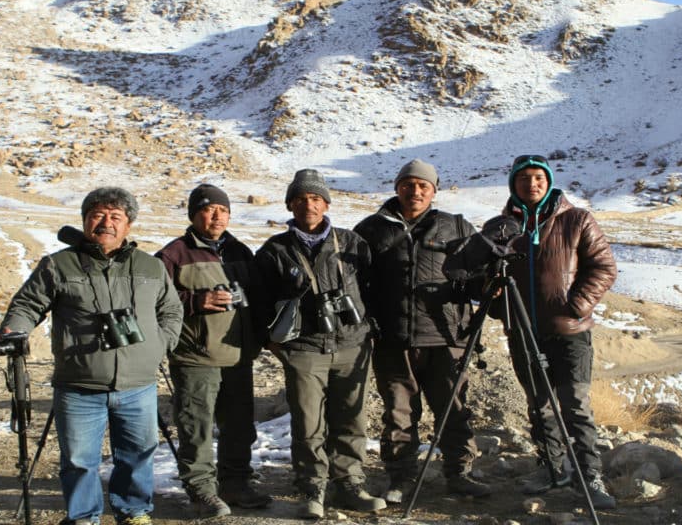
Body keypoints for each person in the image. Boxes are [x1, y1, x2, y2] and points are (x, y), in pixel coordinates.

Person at [0, 187, 183, 525]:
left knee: (138, 455)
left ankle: (134, 512)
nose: (106, 223)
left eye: (116, 217)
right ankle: (84, 517)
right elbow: (27, 305)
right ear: (84, 221)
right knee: (80, 460)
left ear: (128, 225)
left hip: (138, 383)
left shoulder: (150, 266)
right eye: (98, 215)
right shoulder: (58, 264)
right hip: (79, 384)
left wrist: (159, 345)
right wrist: (14, 330)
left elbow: (170, 310)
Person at [353, 159, 491, 503]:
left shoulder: (456, 228)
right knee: (399, 414)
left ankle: (460, 475)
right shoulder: (370, 230)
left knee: (454, 410)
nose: (415, 191)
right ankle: (401, 480)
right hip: (393, 340)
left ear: (434, 190)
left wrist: (486, 285)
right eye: (408, 184)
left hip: (446, 338)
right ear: (397, 187)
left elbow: (481, 276)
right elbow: (354, 284)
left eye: (423, 186)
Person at [255, 169, 387, 519]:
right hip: (304, 349)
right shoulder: (275, 250)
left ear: (327, 203)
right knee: (308, 422)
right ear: (290, 205)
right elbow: (259, 301)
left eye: (315, 198)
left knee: (351, 419)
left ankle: (350, 483)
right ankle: (313, 487)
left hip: (351, 344)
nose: (308, 205)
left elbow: (376, 289)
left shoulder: (352, 243)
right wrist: (274, 343)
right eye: (300, 199)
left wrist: (369, 329)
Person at [488, 155, 618, 510]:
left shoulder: (576, 219)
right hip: (522, 331)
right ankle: (552, 467)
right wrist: (498, 303)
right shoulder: (501, 228)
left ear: (548, 182)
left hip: (569, 331)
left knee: (574, 404)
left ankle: (589, 474)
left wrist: (576, 305)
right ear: (513, 184)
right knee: (538, 404)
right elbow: (485, 275)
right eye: (524, 178)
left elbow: (603, 266)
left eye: (538, 178)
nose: (532, 184)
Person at [155, 184, 272, 517]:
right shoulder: (173, 254)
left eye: (222, 210)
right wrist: (195, 301)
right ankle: (201, 491)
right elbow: (153, 301)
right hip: (194, 357)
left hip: (237, 356)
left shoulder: (240, 251)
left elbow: (257, 297)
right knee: (197, 427)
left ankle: (235, 484)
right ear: (194, 215)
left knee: (239, 426)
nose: (216, 216)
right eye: (208, 209)